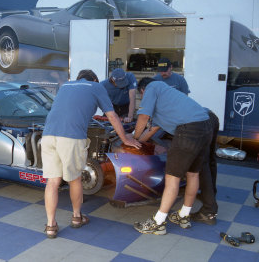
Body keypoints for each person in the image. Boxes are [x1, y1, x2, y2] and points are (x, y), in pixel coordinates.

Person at [42, 69, 141, 239]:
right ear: (95, 79)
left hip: (48, 135)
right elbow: (112, 116)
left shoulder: (66, 86)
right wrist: (125, 139)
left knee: (52, 182)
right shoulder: (96, 86)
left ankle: (51, 225)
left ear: (78, 79)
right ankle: (76, 217)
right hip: (71, 138)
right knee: (75, 179)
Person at [133, 77, 212, 235]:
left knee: (172, 178)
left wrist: (132, 138)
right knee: (193, 174)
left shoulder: (151, 87)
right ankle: (184, 216)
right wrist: (135, 142)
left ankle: (158, 222)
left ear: (142, 90)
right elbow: (152, 130)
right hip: (205, 125)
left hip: (188, 131)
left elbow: (143, 117)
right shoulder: (166, 94)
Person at [190, 110, 219, 225]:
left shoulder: (152, 97)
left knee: (202, 163)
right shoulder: (168, 94)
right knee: (210, 159)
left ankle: (209, 210)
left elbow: (153, 129)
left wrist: (136, 138)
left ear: (142, 91)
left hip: (200, 122)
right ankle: (211, 193)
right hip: (210, 116)